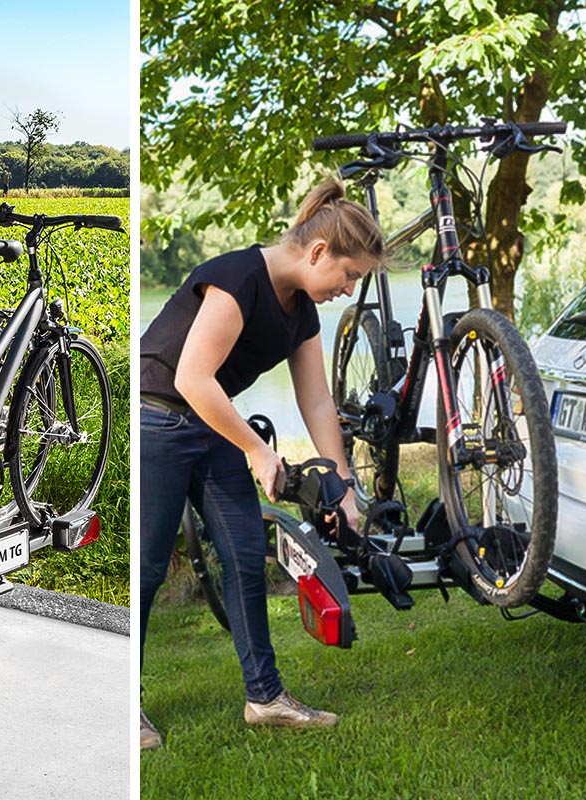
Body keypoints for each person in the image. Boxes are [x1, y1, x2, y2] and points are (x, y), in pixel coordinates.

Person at [138, 178, 384, 750]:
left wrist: (343, 487)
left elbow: (317, 400)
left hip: (212, 422)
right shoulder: (237, 278)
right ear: (319, 252)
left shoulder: (300, 312)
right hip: (159, 418)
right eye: (349, 275)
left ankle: (265, 698)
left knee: (246, 557)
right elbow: (191, 377)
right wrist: (256, 447)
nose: (349, 290)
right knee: (148, 569)